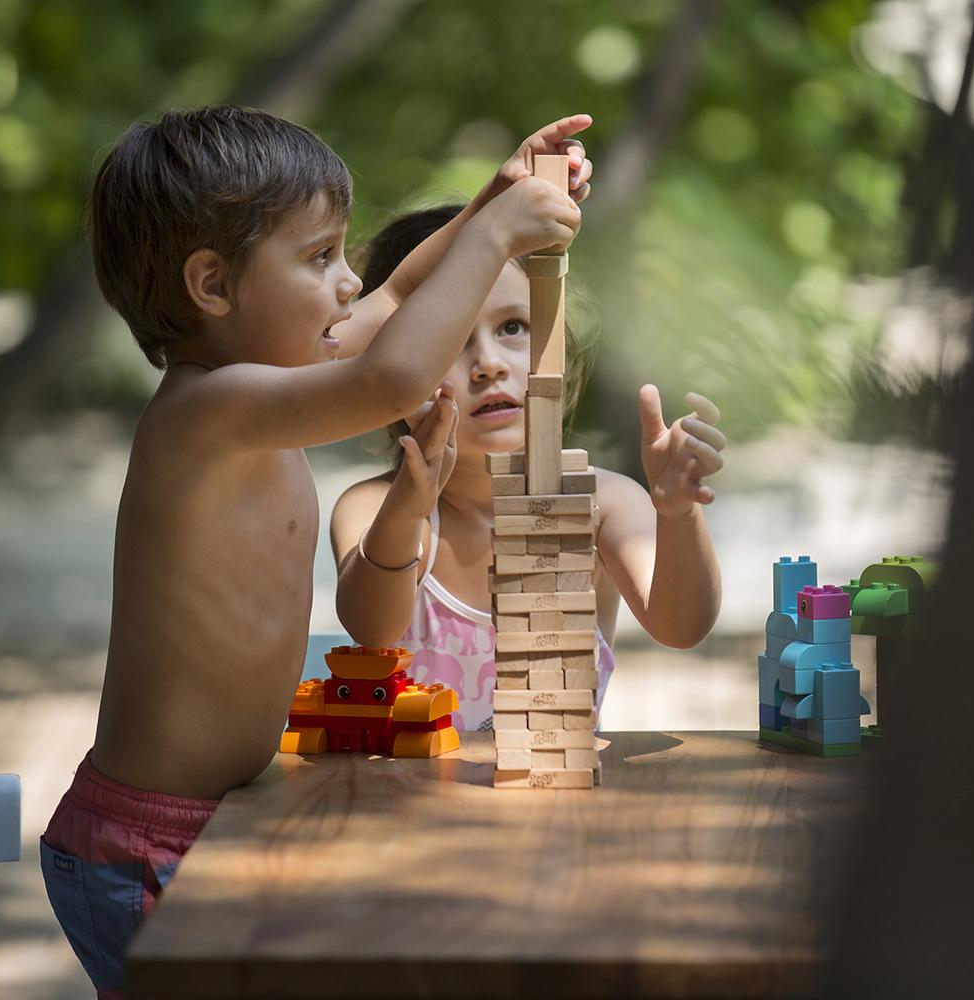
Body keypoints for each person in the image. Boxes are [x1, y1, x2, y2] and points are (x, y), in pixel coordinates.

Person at [39, 105, 593, 998]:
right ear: (212, 286)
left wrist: (499, 191)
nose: (348, 286)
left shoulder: (265, 383)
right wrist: (497, 235)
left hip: (206, 825)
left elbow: (406, 297)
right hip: (150, 843)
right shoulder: (206, 412)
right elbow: (394, 377)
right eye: (320, 258)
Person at [329, 206, 726, 733]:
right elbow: (372, 628)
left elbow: (682, 627)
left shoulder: (602, 505)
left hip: (558, 810)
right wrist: (408, 507)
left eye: (513, 326)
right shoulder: (372, 508)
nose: (489, 363)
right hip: (405, 808)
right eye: (449, 339)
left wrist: (676, 513)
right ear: (386, 369)